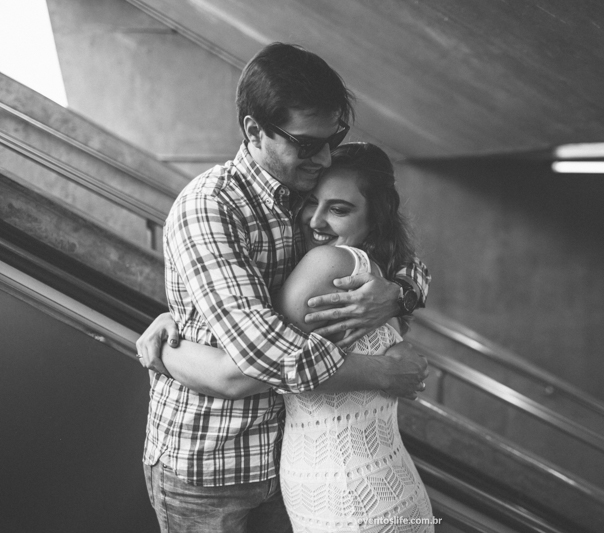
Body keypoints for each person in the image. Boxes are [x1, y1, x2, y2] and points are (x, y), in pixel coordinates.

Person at [136, 43, 431, 533]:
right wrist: (380, 372)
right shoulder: (211, 208)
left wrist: (398, 293)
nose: (325, 154)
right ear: (254, 131)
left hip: (289, 459)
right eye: (306, 142)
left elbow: (397, 252)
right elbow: (260, 358)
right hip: (213, 468)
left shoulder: (305, 188)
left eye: (334, 137)